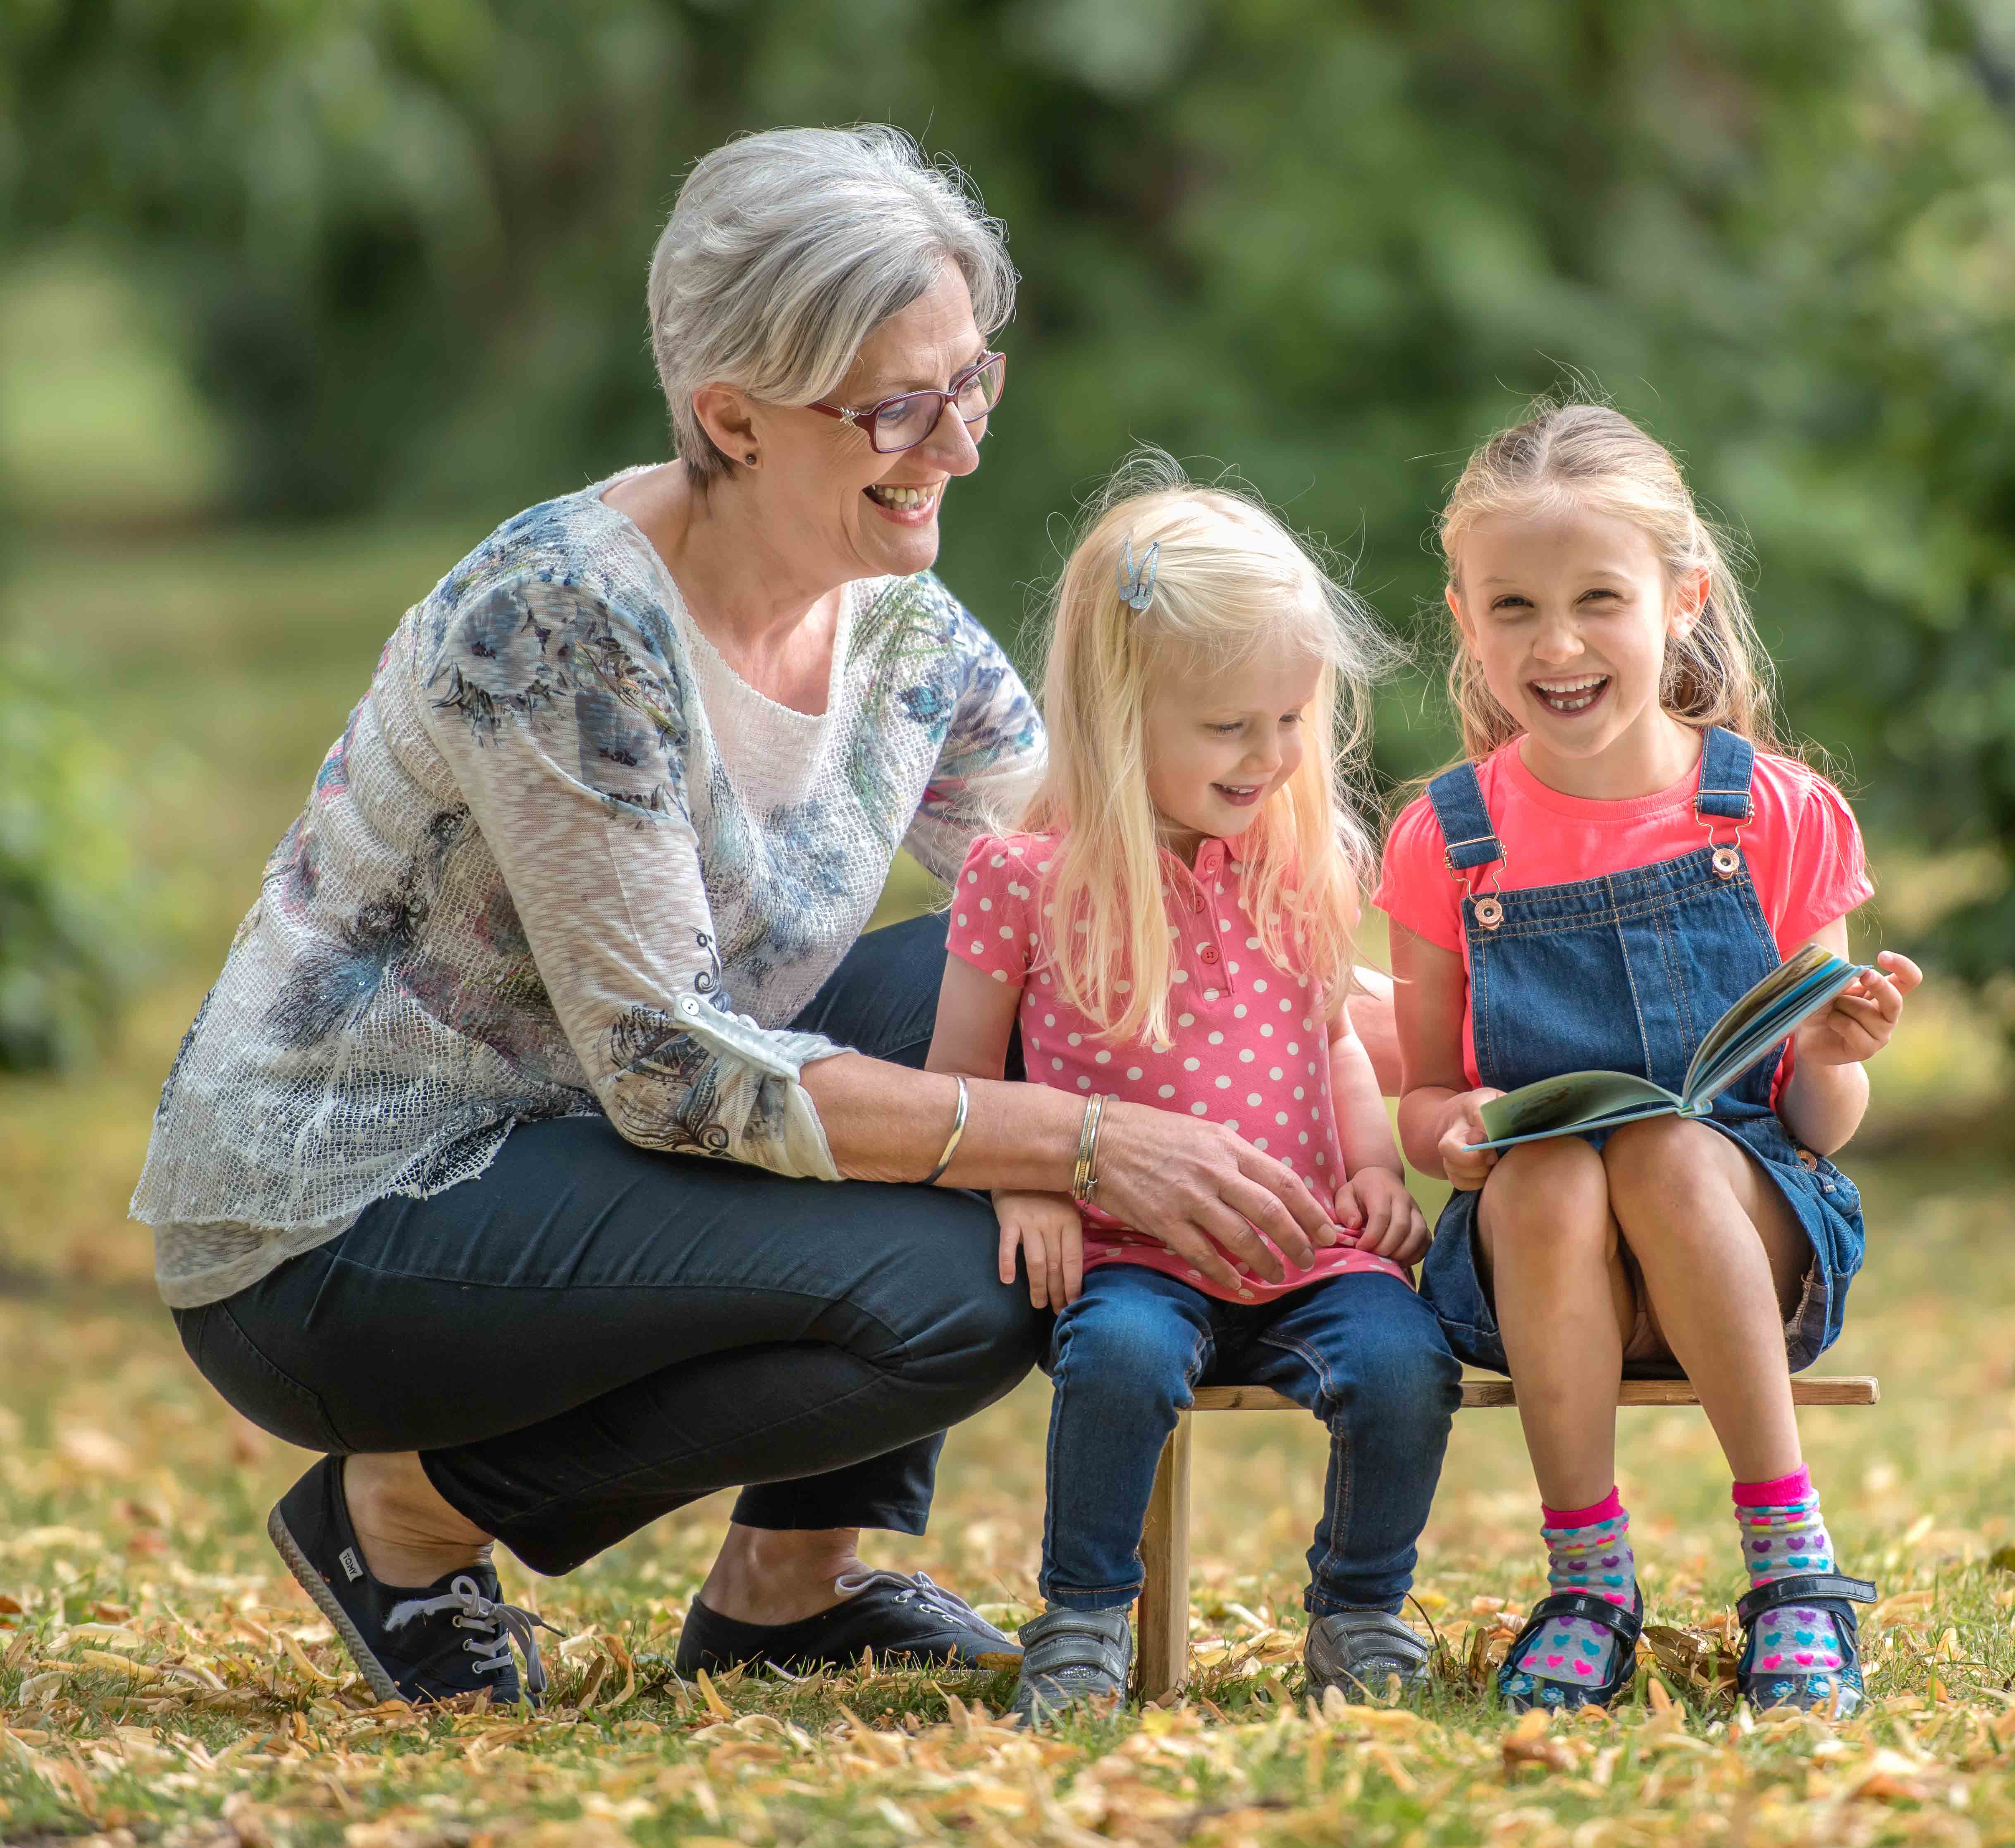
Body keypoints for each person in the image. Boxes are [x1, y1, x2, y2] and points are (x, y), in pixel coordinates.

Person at [127, 127, 1346, 1706]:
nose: (959, 445)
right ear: (732, 418)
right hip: (350, 1223)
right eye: (900, 408)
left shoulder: (897, 622)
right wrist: (1088, 1145)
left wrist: (1465, 1045)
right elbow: (679, 1076)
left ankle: (790, 1588)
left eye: (973, 382)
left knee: (1012, 979)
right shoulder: (563, 624)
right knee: (964, 1290)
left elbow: (1129, 902)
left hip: (604, 1153)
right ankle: (402, 1517)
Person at [1379, 401, 1923, 1715]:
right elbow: (1421, 1097)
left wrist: (1836, 1051)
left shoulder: (1776, 813)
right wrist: (1453, 1133)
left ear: (1681, 601)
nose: (1555, 645)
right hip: (1546, 1264)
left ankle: (1792, 1568)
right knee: (1557, 1170)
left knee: (1671, 1148)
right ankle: (1587, 1579)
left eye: (1596, 600)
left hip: (1745, 1237)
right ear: (1464, 619)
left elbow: (1822, 1124)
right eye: (1512, 607)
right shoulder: (1443, 840)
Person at [927, 463, 1460, 1723]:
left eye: (1290, 719)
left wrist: (1374, 1168)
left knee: (1405, 1368)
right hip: (1127, 1250)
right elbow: (960, 1075)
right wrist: (1028, 1179)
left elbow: (1330, 1037)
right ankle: (1083, 1620)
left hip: (1307, 1243)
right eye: (1230, 728)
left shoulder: (1298, 859)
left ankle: (1362, 1610)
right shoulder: (1024, 879)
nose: (1272, 756)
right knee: (1114, 1364)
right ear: (1120, 715)